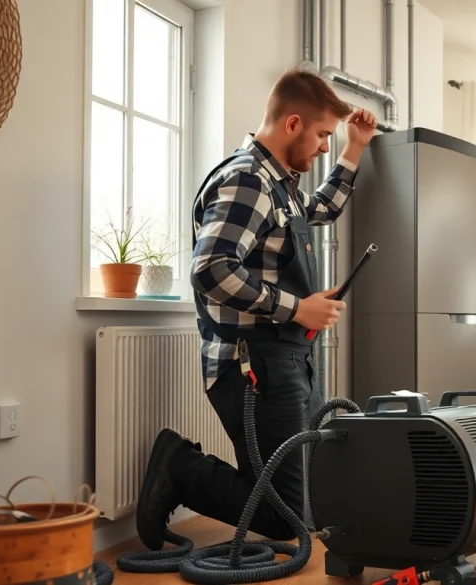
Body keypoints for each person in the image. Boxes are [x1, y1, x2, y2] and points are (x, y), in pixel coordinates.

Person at [134, 67, 378, 550]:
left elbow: (322, 209)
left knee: (300, 505)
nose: (324, 146)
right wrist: (297, 309)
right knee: (287, 518)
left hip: (283, 359)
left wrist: (355, 147)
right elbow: (211, 270)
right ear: (292, 124)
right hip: (252, 365)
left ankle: (184, 468)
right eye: (322, 135)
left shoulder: (279, 183)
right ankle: (181, 467)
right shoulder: (248, 180)